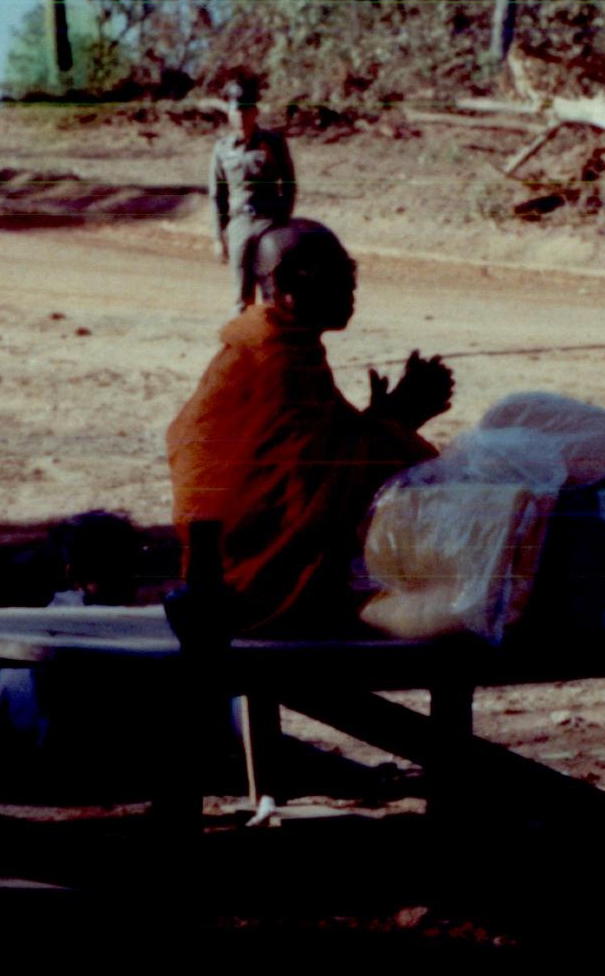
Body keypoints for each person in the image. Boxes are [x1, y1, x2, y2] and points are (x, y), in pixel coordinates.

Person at [166, 219, 447, 633]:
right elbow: (314, 493)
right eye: (339, 273)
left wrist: (387, 419)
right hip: (255, 589)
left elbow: (326, 458)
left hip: (245, 580)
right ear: (286, 283)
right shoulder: (273, 361)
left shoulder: (287, 349)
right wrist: (397, 420)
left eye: (352, 272)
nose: (352, 287)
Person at [209, 71, 298, 307]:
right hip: (239, 225)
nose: (240, 116)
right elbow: (217, 196)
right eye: (236, 111)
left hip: (270, 224)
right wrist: (218, 237)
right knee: (241, 298)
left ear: (255, 112)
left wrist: (284, 220)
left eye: (245, 110)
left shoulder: (273, 142)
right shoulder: (222, 149)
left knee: (274, 295)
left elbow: (289, 184)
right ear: (229, 113)